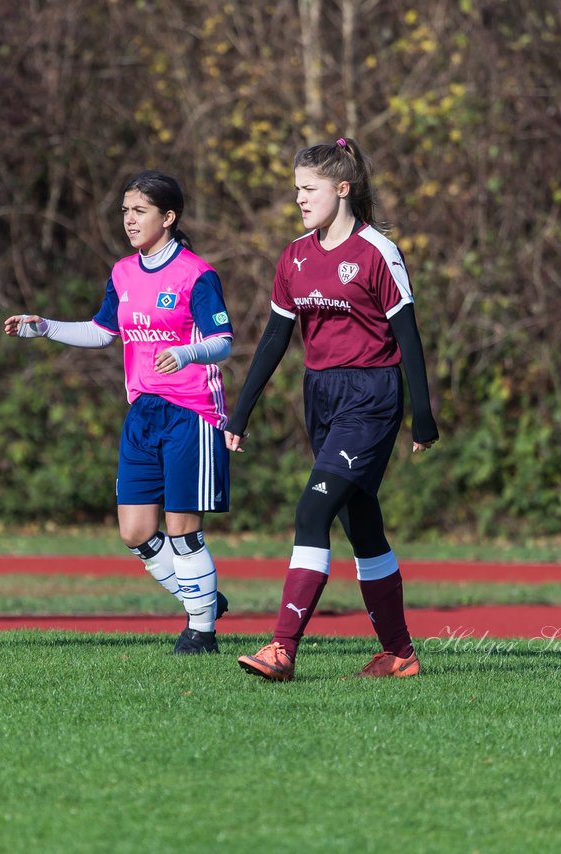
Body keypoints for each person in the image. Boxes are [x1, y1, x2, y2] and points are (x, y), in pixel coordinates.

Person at [225, 137, 439, 681]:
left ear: (342, 190)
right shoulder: (295, 255)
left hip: (371, 397)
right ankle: (400, 653)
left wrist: (423, 413)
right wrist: (241, 412)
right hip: (320, 396)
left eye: (309, 189)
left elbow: (408, 339)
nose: (299, 199)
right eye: (296, 189)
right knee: (362, 527)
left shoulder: (376, 252)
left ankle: (282, 648)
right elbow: (275, 339)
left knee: (312, 510)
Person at [3, 170, 232, 654]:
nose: (129, 220)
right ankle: (205, 599)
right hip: (142, 412)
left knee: (182, 531)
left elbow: (223, 341)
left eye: (140, 211)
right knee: (135, 532)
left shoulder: (196, 273)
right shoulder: (123, 272)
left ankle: (201, 630)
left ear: (168, 218)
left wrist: (188, 354)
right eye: (125, 210)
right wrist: (45, 327)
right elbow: (103, 331)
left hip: (191, 413)